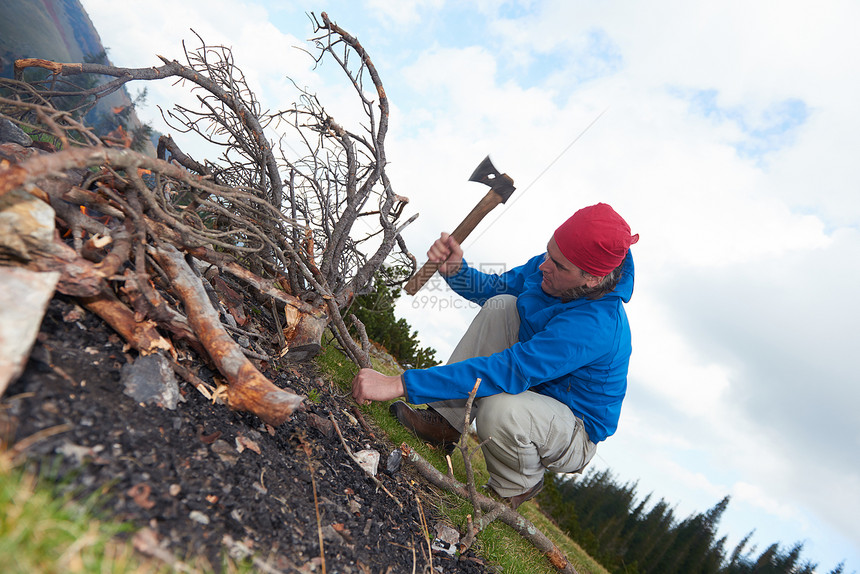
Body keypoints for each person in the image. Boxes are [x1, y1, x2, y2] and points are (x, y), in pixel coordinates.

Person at [351, 202, 638, 509]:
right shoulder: (550, 267)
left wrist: (401, 383)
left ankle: (515, 485)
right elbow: (497, 290)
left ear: (592, 279)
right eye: (548, 253)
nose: (544, 266)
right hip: (532, 389)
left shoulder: (595, 327)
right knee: (502, 305)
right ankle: (445, 423)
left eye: (559, 265)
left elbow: (508, 370)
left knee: (500, 408)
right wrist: (457, 272)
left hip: (572, 430)